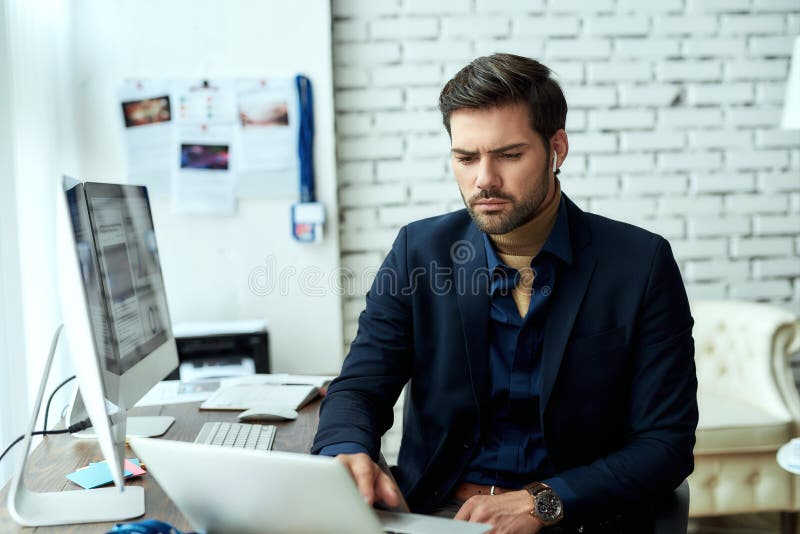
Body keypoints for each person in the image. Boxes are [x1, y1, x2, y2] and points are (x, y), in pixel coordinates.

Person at [311, 53, 698, 533]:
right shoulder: (419, 252)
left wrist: (544, 501)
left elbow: (666, 443)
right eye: (465, 158)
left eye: (509, 155)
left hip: (576, 518)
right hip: (438, 513)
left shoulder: (641, 263)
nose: (484, 180)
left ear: (557, 148)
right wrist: (346, 450)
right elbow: (360, 388)